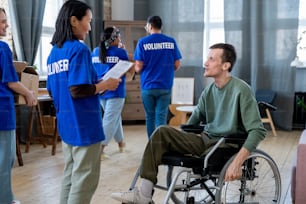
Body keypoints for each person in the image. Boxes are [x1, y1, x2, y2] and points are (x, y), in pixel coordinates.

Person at [111, 43, 267, 203]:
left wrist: (237, 162)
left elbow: (257, 130)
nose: (205, 63)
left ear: (226, 65)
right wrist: (179, 139)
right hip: (205, 141)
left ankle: (142, 196)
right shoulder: (209, 91)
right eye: (207, 58)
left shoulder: (241, 90)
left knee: (162, 133)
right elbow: (195, 119)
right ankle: (144, 193)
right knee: (161, 133)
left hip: (224, 146)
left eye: (211, 59)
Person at [46, 1, 121, 204]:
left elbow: (55, 90)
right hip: (85, 125)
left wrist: (99, 83)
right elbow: (78, 90)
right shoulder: (79, 50)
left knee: (70, 176)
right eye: (88, 21)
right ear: (74, 21)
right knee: (84, 181)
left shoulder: (53, 53)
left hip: (67, 125)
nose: (89, 27)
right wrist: (106, 85)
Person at [0, 7, 37, 204]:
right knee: (5, 159)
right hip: (3, 110)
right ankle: (5, 200)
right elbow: (11, 82)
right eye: (2, 22)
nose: (6, 25)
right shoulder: (2, 48)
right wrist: (29, 93)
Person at [134, 15, 182, 138]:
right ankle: (162, 143)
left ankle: (152, 143)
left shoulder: (142, 42)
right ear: (161, 26)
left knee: (150, 116)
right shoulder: (171, 41)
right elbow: (177, 64)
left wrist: (136, 69)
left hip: (148, 86)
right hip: (165, 85)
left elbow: (138, 67)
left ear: (150, 26)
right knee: (161, 116)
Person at [91, 26, 132, 160]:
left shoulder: (95, 51)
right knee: (109, 119)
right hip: (116, 91)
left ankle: (121, 144)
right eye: (119, 37)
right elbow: (126, 70)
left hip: (100, 90)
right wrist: (123, 50)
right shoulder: (120, 52)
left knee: (114, 117)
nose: (120, 39)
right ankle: (100, 149)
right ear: (114, 39)